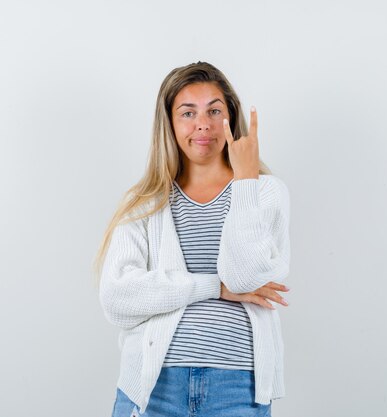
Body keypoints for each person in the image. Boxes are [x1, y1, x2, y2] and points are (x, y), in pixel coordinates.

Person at [93, 61, 291, 417]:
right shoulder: (144, 202)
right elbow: (117, 299)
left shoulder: (265, 192)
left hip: (236, 388)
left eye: (215, 110)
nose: (203, 123)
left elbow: (246, 278)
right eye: (188, 112)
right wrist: (215, 287)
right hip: (153, 387)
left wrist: (245, 180)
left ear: (231, 117)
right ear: (169, 123)